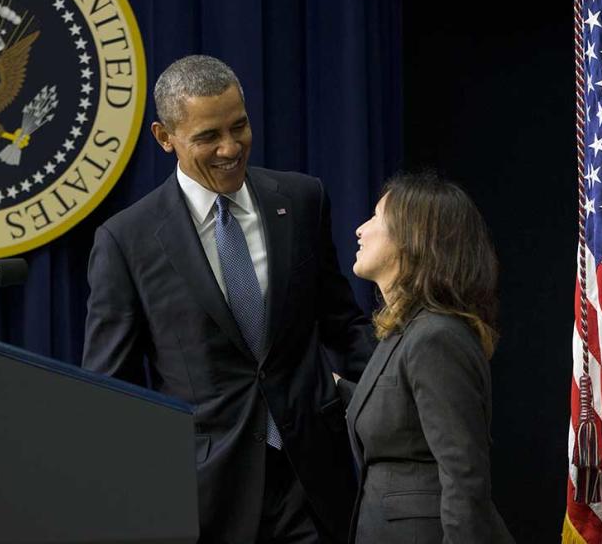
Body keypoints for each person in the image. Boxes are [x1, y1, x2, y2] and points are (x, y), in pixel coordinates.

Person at [83, 55, 374, 543]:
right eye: (207, 137)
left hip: (314, 482)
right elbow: (113, 392)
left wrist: (397, 390)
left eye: (239, 126)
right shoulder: (127, 241)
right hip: (204, 499)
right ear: (164, 137)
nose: (230, 147)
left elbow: (342, 324)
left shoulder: (302, 201)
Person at [341, 172, 514, 543]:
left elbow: (464, 475)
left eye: (375, 218)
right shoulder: (405, 334)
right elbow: (400, 419)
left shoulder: (436, 337)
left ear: (411, 239)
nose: (361, 229)